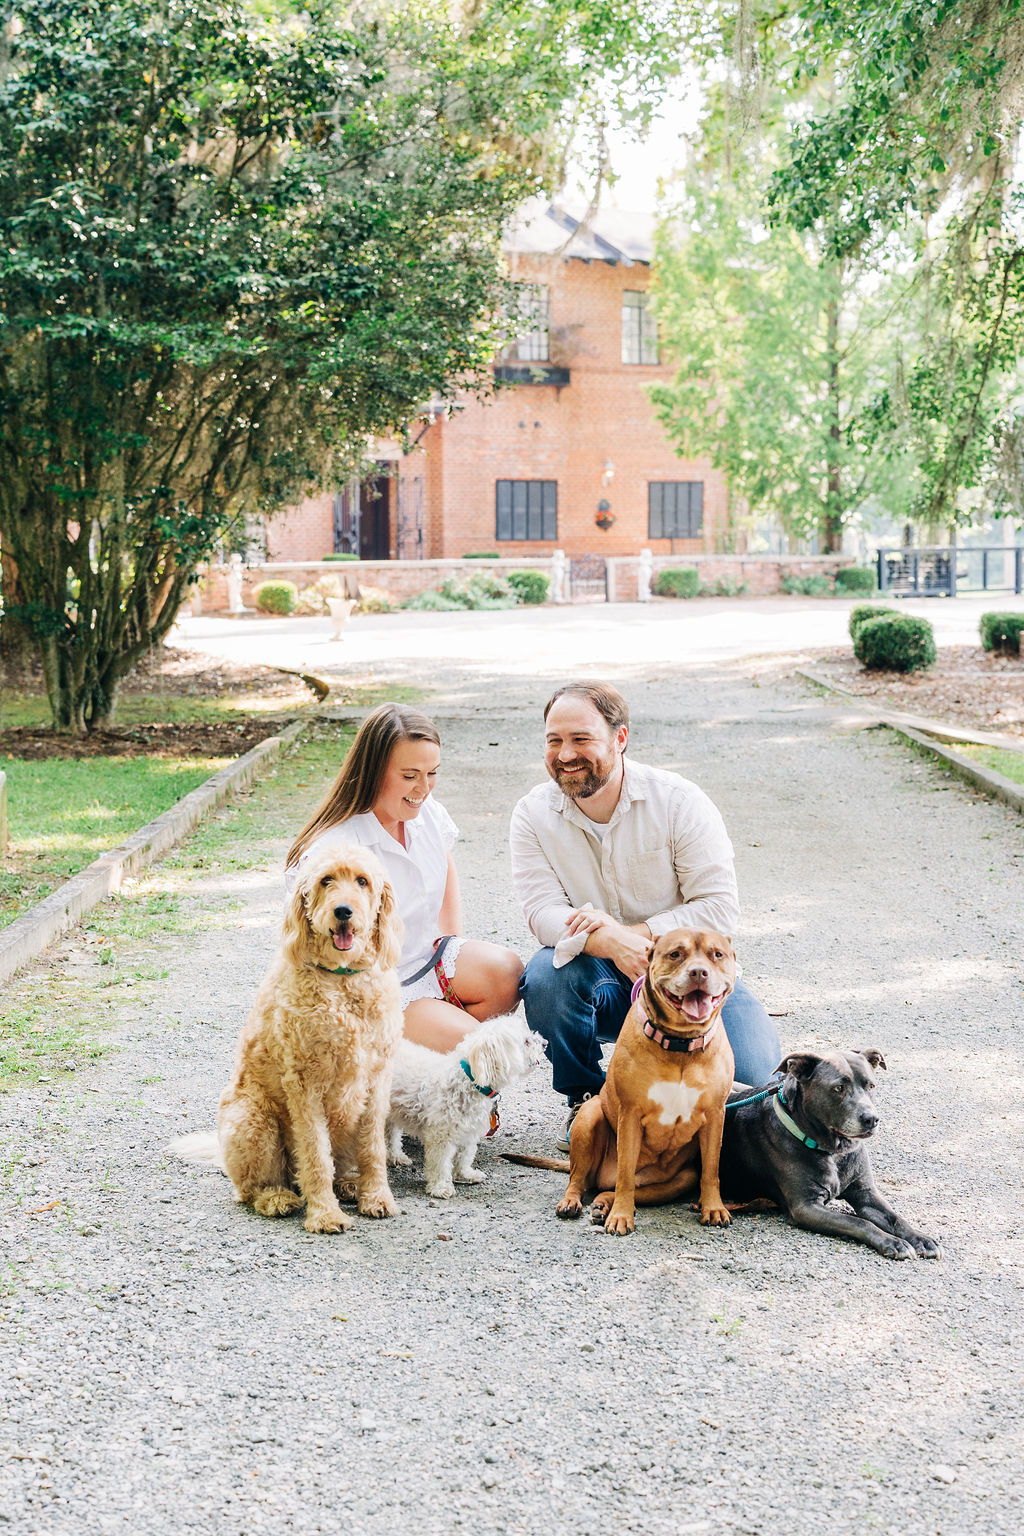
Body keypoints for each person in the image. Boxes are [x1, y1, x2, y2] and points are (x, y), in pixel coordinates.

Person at [510, 682, 780, 1148]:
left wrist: (635, 935)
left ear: (620, 738)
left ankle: (687, 1116)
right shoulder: (533, 814)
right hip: (602, 980)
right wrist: (609, 943)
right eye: (554, 741)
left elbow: (718, 907)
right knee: (544, 974)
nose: (564, 753)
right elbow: (541, 913)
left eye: (581, 739)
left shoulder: (678, 801)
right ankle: (589, 1100)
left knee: (754, 1088)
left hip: (690, 977)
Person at [286, 704, 522, 1053]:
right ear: (373, 772)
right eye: (410, 776)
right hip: (378, 983)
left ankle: (424, 1062)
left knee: (508, 973)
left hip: (427, 957)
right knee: (477, 1045)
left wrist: (449, 942)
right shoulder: (333, 849)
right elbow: (311, 946)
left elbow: (445, 862)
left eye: (432, 773)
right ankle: (399, 1062)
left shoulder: (426, 812)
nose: (423, 789)